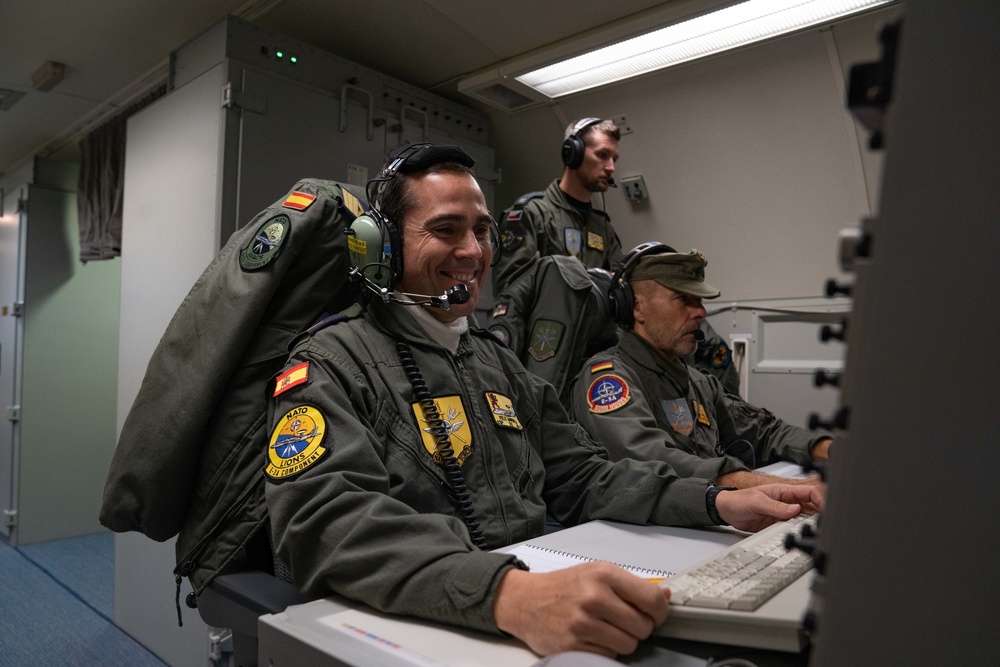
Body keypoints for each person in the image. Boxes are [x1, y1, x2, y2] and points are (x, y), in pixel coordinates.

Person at [264, 143, 823, 659]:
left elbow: (582, 477)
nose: (473, 251)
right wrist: (509, 594)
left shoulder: (498, 363)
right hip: (437, 619)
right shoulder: (331, 364)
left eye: (482, 230)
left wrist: (714, 503)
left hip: (534, 602)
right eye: (446, 229)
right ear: (381, 247)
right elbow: (324, 520)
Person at [490, 117, 740, 395]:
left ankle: (717, 410)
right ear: (571, 153)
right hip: (553, 338)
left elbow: (622, 284)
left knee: (694, 328)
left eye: (614, 158)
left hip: (603, 331)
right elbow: (511, 290)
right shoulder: (530, 213)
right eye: (602, 155)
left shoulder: (602, 226)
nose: (610, 167)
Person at [568, 243, 832, 490]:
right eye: (684, 299)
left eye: (700, 300)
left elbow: (763, 430)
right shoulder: (608, 380)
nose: (701, 312)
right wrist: (778, 488)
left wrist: (826, 448)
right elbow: (650, 460)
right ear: (637, 307)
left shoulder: (698, 382)